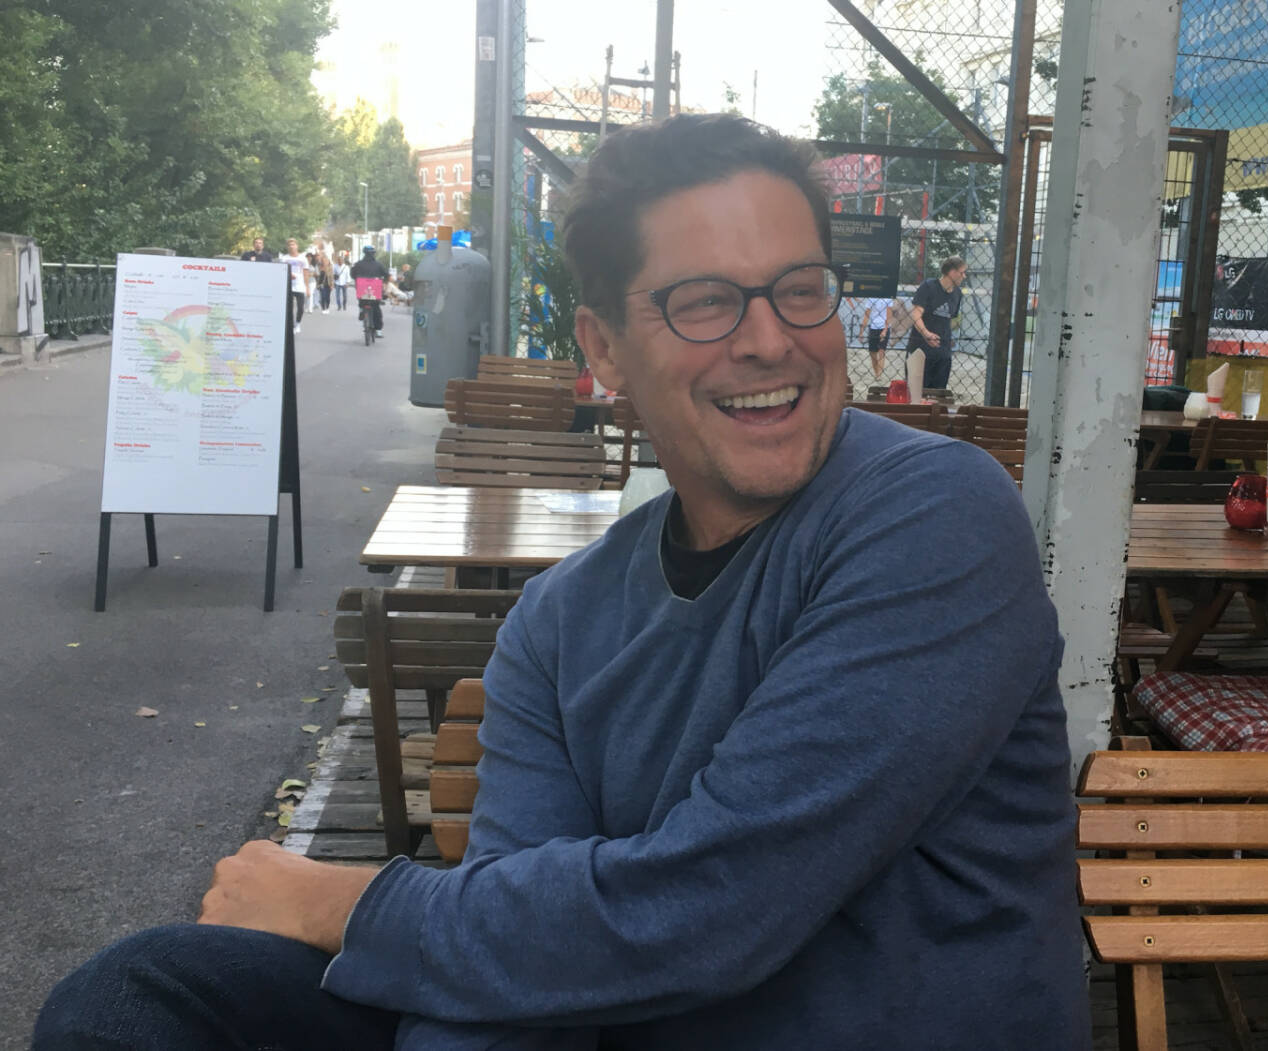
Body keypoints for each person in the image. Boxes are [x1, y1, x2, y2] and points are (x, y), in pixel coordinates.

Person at [34, 114, 1089, 1050]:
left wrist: (344, 906)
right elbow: (508, 971)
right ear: (605, 349)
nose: (771, 340)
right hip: (605, 1014)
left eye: (800, 290)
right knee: (143, 992)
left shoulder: (935, 514)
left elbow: (715, 907)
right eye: (706, 302)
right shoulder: (559, 618)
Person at [905, 255, 967, 391]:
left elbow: (950, 319)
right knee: (915, 393)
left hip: (943, 353)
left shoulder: (957, 293)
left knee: (938, 394)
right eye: (962, 272)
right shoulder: (928, 286)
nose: (964, 276)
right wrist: (926, 333)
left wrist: (949, 337)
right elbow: (916, 314)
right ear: (952, 272)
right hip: (920, 349)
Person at [351, 245, 386, 337]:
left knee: (362, 301)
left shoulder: (358, 264)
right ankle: (378, 330)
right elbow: (385, 274)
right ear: (373, 254)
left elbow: (352, 274)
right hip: (375, 291)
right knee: (376, 309)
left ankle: (361, 310)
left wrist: (358, 278)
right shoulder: (378, 264)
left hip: (362, 289)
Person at [861, 294, 895, 378]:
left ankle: (879, 374)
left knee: (881, 351)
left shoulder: (888, 298)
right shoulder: (871, 298)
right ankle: (876, 372)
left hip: (884, 327)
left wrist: (885, 330)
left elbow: (889, 315)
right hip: (873, 327)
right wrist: (861, 332)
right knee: (872, 352)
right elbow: (866, 315)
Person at [282, 238, 309, 333]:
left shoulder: (303, 258)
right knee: (289, 308)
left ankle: (298, 323)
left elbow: (306, 273)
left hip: (300, 286)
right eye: (289, 245)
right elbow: (281, 272)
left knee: (301, 308)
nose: (291, 246)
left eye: (293, 244)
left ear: (297, 246)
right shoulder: (284, 258)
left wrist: (307, 287)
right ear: (287, 247)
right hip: (288, 286)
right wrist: (289, 275)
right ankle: (291, 325)